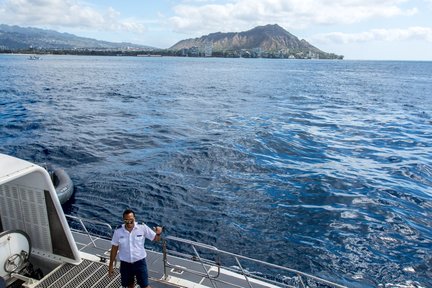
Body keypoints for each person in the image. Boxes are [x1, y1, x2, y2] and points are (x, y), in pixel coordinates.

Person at [108, 209, 163, 288]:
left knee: (145, 286)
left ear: (135, 218)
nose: (129, 222)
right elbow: (114, 249)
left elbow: (156, 239)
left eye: (131, 220)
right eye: (127, 220)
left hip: (140, 263)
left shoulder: (142, 227)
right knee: (129, 286)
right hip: (125, 264)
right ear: (124, 220)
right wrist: (110, 266)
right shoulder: (118, 231)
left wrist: (158, 233)